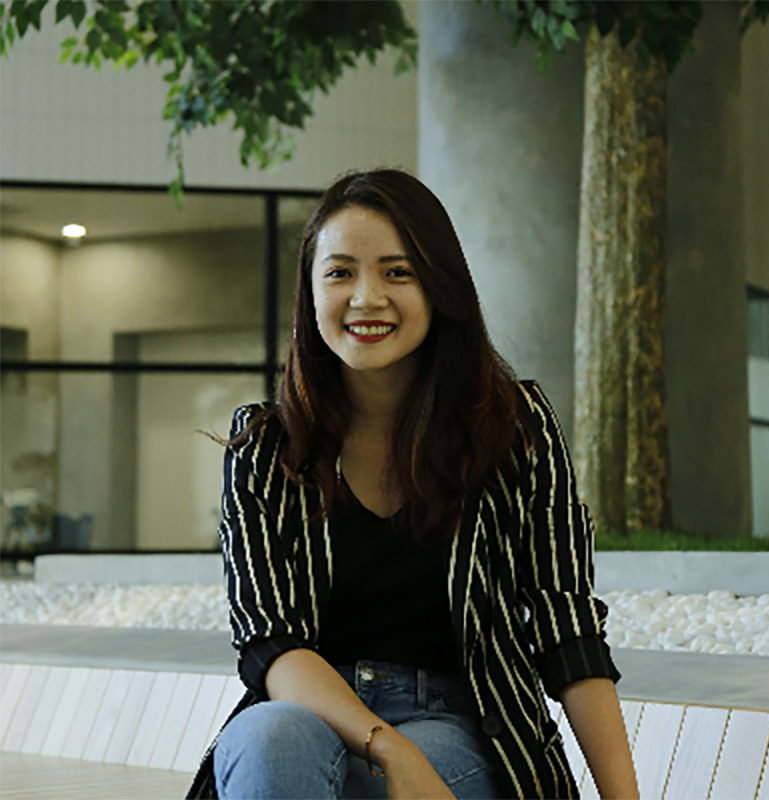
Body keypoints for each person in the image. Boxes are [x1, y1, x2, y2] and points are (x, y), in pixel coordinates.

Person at [187, 169, 639, 800]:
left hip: (465, 723)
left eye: (397, 272)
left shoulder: (514, 426)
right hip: (311, 715)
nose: (366, 297)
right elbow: (271, 644)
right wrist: (384, 744)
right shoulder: (266, 447)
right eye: (340, 272)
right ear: (310, 294)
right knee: (271, 741)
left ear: (440, 286)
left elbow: (568, 628)